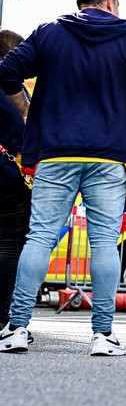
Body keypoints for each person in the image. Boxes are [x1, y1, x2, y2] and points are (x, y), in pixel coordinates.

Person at [0, 0, 126, 355]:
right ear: (110, 1)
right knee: (104, 243)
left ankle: (15, 327)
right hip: (109, 157)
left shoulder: (49, 33)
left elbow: (8, 71)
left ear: (81, 2)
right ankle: (102, 335)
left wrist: (26, 109)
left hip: (56, 152)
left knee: (40, 237)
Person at [0, 29, 31, 332]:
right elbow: (23, 133)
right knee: (9, 245)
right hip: (7, 175)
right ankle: (2, 316)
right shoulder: (10, 89)